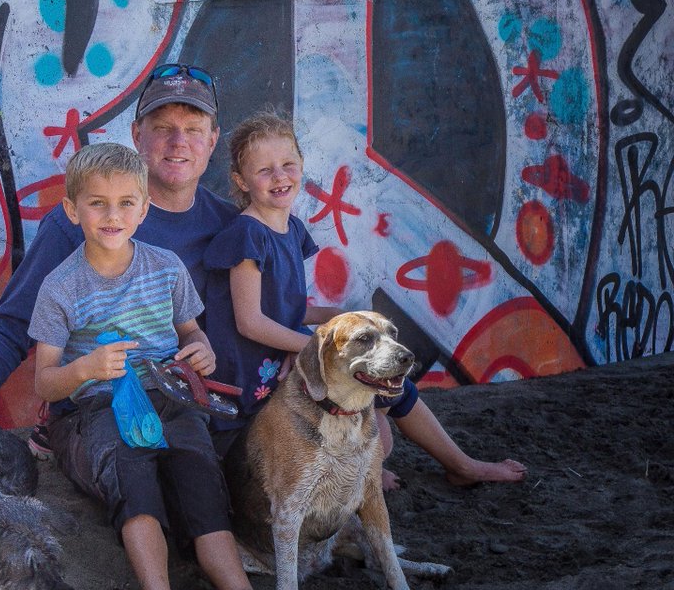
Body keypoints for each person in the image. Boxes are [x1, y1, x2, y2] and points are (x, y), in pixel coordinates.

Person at [29, 142, 301, 590]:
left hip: (169, 394)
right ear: (71, 210)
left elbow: (192, 334)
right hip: (96, 408)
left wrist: (200, 354)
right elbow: (44, 383)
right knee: (132, 474)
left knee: (198, 470)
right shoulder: (59, 286)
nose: (113, 215)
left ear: (145, 206)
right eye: (97, 203)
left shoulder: (165, 266)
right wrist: (84, 370)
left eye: (127, 203)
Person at [203, 111, 527, 489]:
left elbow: (286, 308)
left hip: (286, 358)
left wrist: (339, 316)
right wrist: (319, 347)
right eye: (264, 170)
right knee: (377, 388)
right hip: (255, 380)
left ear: (302, 165)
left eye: (287, 164)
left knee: (383, 396)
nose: (279, 177)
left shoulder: (290, 228)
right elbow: (251, 322)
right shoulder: (247, 236)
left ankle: (430, 465)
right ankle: (454, 467)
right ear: (241, 181)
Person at [0, 64, 236, 455]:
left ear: (212, 140)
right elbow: (13, 322)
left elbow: (243, 319)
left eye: (194, 129)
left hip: (192, 419)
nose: (178, 141)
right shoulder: (79, 223)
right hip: (98, 424)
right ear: (136, 136)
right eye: (162, 127)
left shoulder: (231, 226)